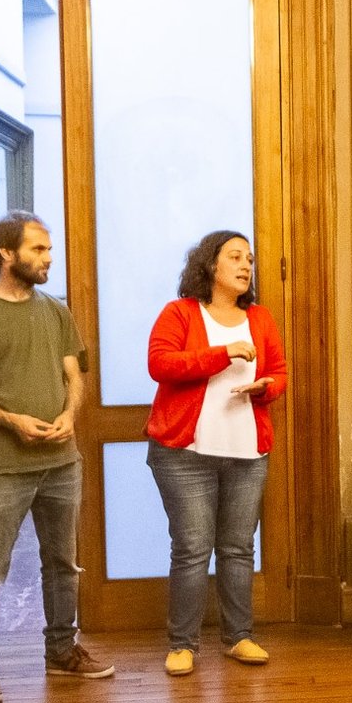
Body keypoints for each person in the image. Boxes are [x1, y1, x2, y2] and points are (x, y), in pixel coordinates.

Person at [0, 211, 112, 703]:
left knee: (63, 564)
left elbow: (74, 376)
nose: (48, 258)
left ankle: (62, 650)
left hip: (61, 462)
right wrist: (9, 419)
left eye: (48, 249)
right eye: (38, 249)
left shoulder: (56, 311)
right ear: (6, 253)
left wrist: (70, 414)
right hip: (0, 467)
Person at [145, 231, 288, 677]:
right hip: (184, 454)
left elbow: (279, 372)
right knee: (192, 548)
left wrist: (266, 387)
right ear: (211, 265)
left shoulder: (260, 318)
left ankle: (239, 637)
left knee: (238, 548)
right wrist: (222, 354)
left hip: (247, 452)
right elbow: (160, 364)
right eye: (235, 257)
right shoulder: (180, 313)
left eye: (250, 259)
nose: (246, 265)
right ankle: (182, 644)